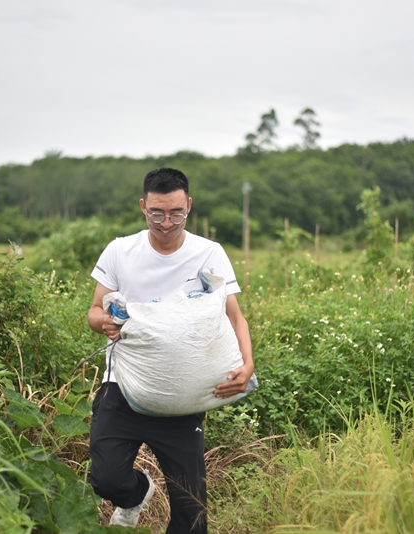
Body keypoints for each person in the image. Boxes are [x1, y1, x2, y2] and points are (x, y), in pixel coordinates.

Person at [86, 168, 254, 533]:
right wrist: (104, 323)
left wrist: (247, 365)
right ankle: (136, 494)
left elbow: (235, 317)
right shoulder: (120, 251)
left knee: (191, 510)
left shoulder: (209, 253)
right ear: (143, 207)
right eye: (157, 213)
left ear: (189, 206)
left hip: (183, 394)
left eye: (176, 212)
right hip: (123, 385)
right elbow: (95, 311)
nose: (166, 222)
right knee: (106, 479)